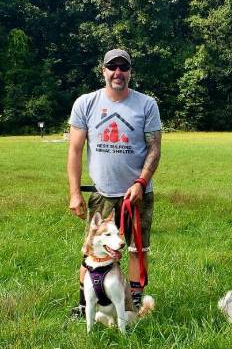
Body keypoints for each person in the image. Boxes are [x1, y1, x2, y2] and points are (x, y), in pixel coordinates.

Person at [68, 48, 162, 317]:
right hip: (103, 194)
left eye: (123, 67)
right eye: (113, 67)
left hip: (138, 193)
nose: (118, 72)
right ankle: (85, 303)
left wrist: (141, 182)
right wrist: (75, 193)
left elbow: (154, 148)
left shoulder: (146, 104)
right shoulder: (86, 103)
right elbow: (74, 150)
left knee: (135, 249)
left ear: (130, 71)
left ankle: (132, 302)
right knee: (93, 250)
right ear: (104, 71)